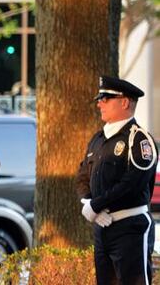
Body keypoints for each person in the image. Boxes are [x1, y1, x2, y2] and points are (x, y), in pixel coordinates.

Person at [75, 76, 156, 285]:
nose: (99, 103)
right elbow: (83, 175)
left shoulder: (139, 140)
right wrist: (88, 203)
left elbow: (132, 184)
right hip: (102, 228)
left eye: (105, 98)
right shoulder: (98, 139)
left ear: (124, 102)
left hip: (130, 228)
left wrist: (96, 205)